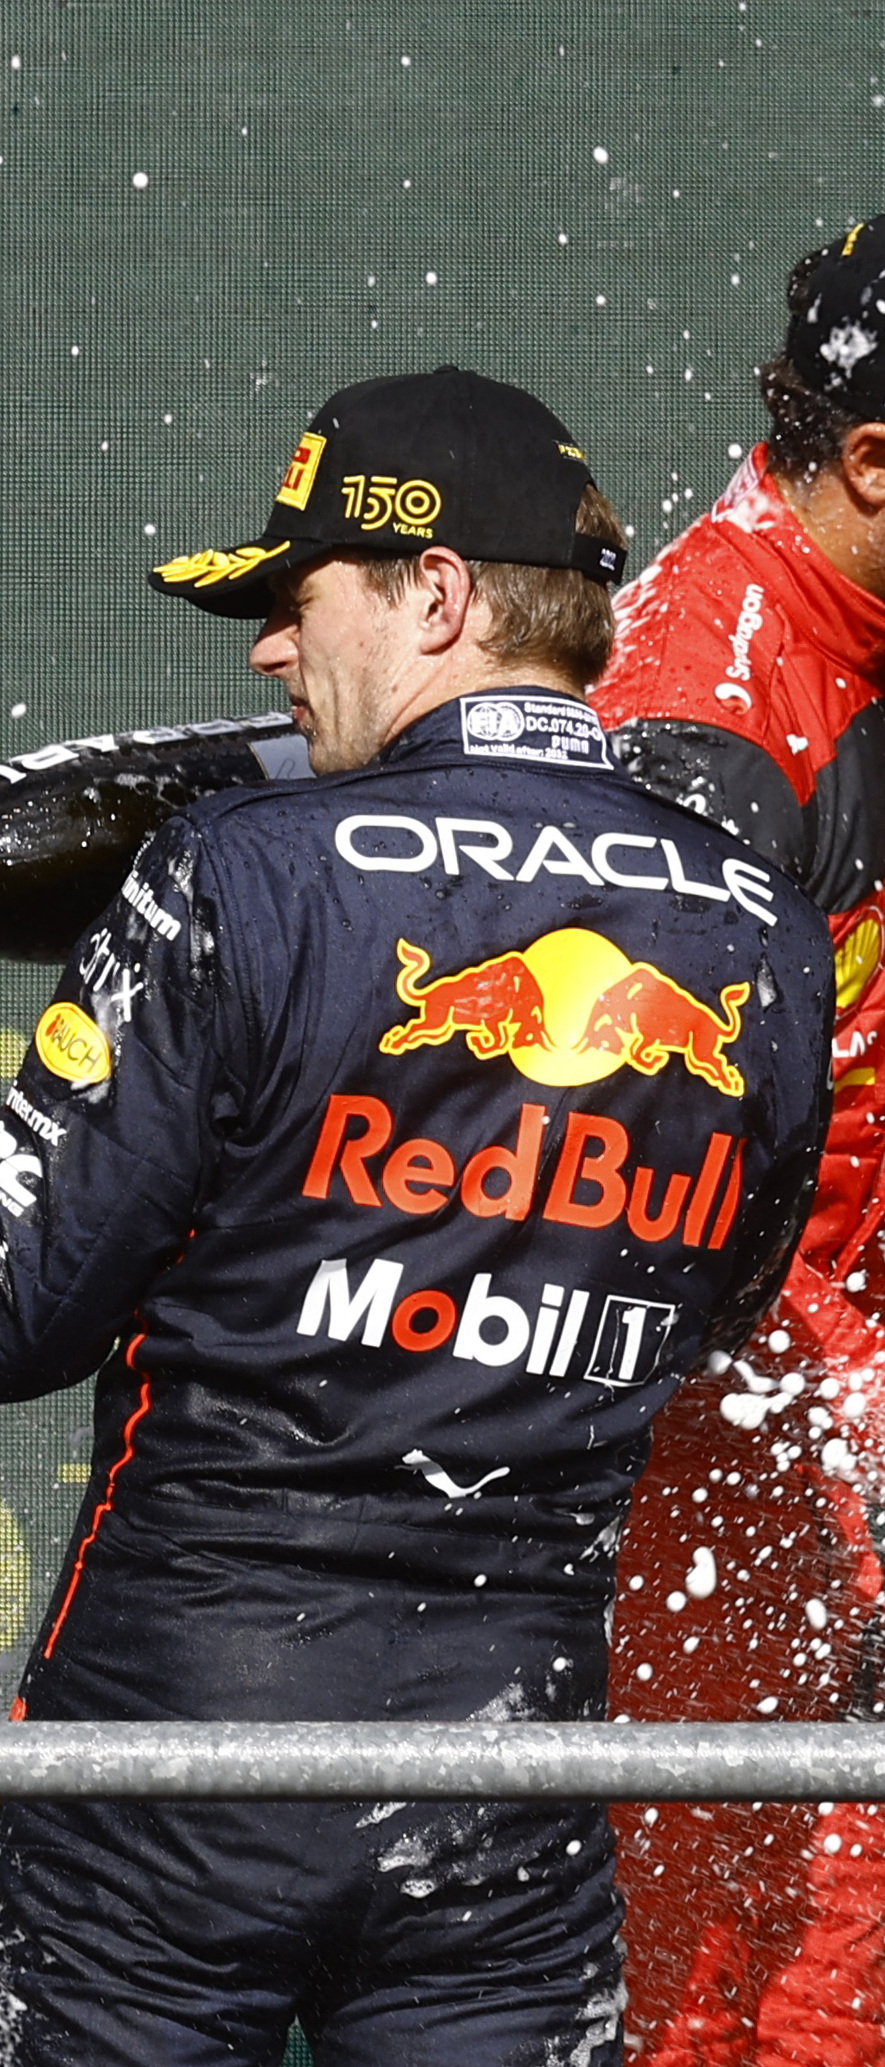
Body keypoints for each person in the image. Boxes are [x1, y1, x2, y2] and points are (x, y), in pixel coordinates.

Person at [0, 367, 832, 2065]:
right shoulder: (766, 934)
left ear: (432, 595)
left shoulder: (239, 864)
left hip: (159, 1803)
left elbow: (4, 1308)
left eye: (291, 600)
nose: (260, 653)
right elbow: (718, 1312)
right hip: (506, 1829)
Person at [586, 218, 885, 2064]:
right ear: (873, 461)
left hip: (838, 1391)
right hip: (728, 1431)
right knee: (757, 1967)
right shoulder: (707, 680)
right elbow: (642, 1168)